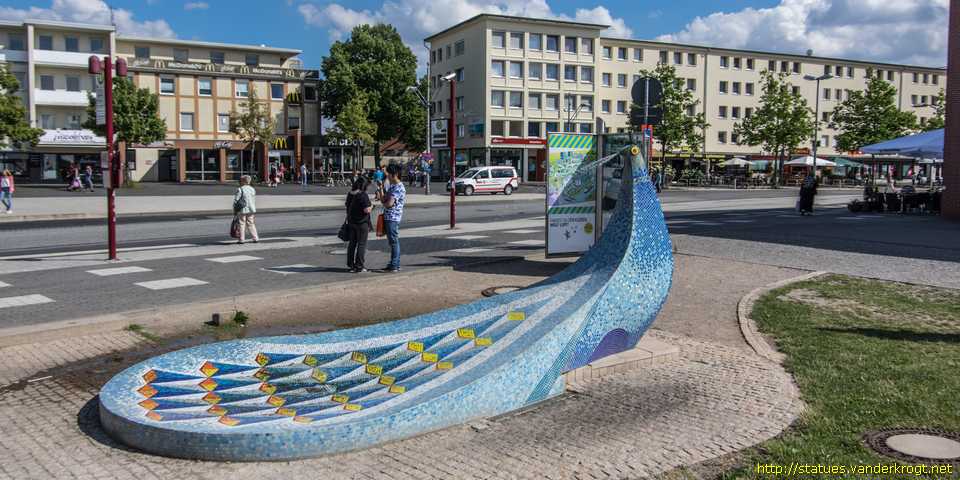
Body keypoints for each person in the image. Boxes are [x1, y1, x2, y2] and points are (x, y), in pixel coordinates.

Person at [380, 164, 406, 272]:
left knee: (394, 241)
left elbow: (389, 203)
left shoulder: (399, 187)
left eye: (388, 174)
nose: (387, 176)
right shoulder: (392, 186)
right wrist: (380, 189)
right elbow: (383, 200)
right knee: (392, 242)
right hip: (389, 216)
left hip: (393, 217)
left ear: (394, 174)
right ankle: (394, 263)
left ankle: (394, 265)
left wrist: (385, 203)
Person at [345, 177, 373, 273]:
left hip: (351, 222)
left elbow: (347, 206)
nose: (368, 188)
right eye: (367, 186)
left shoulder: (350, 193)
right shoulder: (362, 195)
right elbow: (366, 210)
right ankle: (359, 266)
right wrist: (372, 206)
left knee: (352, 244)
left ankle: (351, 265)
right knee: (361, 244)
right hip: (361, 223)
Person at [233, 175, 259, 244]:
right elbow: (253, 199)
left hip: (242, 209)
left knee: (241, 223)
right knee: (251, 223)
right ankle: (255, 238)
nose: (239, 182)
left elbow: (236, 200)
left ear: (243, 181)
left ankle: (241, 239)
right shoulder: (252, 189)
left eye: (240, 180)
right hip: (251, 209)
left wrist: (235, 210)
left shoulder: (240, 189)